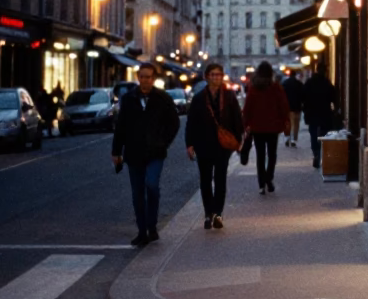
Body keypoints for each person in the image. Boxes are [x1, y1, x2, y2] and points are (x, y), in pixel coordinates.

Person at [111, 63, 180, 247]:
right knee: (137, 193)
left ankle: (152, 225)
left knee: (152, 185)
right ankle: (143, 231)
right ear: (138, 77)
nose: (145, 80)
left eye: (148, 77)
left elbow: (174, 123)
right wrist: (116, 151)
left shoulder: (162, 98)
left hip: (155, 152)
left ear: (154, 78)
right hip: (133, 153)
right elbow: (121, 126)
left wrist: (163, 142)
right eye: (142, 76)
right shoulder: (128, 99)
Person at [185, 63, 243, 230]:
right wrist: (189, 143)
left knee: (220, 180)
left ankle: (218, 214)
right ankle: (208, 213)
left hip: (222, 146)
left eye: (219, 74)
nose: (216, 77)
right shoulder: (198, 98)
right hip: (203, 144)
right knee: (205, 180)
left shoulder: (229, 96)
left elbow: (237, 119)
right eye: (213, 74)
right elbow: (191, 123)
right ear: (206, 76)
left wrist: (238, 141)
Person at [242, 61, 291, 195]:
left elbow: (247, 108)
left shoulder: (253, 88)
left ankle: (261, 184)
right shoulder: (275, 87)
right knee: (272, 154)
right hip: (273, 127)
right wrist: (285, 119)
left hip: (257, 127)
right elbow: (284, 106)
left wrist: (246, 124)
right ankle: (269, 178)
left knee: (260, 156)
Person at [302, 62, 340, 169]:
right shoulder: (326, 82)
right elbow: (334, 96)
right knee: (325, 133)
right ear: (325, 71)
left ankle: (316, 153)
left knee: (313, 133)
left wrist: (305, 109)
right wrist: (336, 109)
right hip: (324, 112)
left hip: (312, 112)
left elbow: (303, 96)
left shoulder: (309, 82)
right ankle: (323, 153)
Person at [281, 70, 305, 148]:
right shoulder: (299, 84)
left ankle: (288, 138)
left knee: (288, 123)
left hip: (288, 107)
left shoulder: (285, 83)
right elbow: (303, 95)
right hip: (297, 107)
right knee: (296, 124)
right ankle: (294, 139)